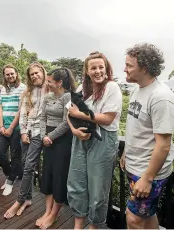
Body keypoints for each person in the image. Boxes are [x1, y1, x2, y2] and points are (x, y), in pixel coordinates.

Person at [120, 43, 174, 229]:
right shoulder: (138, 90)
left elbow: (163, 145)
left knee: (133, 219)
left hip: (147, 172)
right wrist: (126, 154)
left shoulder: (162, 97)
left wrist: (147, 178)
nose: (125, 69)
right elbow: (137, 128)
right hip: (136, 166)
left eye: (129, 65)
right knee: (146, 216)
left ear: (144, 68)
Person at [66, 51, 122, 229]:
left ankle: (94, 226)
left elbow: (107, 119)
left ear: (106, 69)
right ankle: (78, 224)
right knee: (76, 182)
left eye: (101, 67)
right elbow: (69, 112)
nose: (97, 71)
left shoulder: (112, 88)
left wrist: (80, 114)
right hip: (81, 137)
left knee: (98, 188)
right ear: (87, 71)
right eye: (93, 68)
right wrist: (75, 129)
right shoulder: (83, 89)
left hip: (103, 139)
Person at [4, 62, 48, 219]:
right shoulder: (28, 91)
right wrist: (23, 133)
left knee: (29, 167)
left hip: (39, 133)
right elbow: (23, 113)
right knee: (25, 165)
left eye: (37, 73)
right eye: (32, 74)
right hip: (27, 132)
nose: (35, 76)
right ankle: (28, 199)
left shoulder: (50, 89)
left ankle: (19, 200)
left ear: (43, 72)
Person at [36, 68, 74, 229]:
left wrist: (50, 137)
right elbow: (42, 117)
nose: (47, 83)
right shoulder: (47, 97)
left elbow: (67, 122)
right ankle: (47, 211)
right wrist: (44, 136)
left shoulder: (68, 97)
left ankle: (54, 215)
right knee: (48, 174)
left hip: (62, 140)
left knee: (59, 175)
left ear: (59, 83)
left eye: (50, 81)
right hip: (47, 140)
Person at [0, 64, 26, 196]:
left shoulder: (23, 88)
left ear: (16, 73)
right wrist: (1, 126)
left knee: (15, 156)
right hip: (4, 128)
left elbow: (21, 110)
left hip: (17, 127)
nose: (10, 76)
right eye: (7, 74)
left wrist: (12, 128)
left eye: (12, 73)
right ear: (4, 76)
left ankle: (9, 182)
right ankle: (11, 176)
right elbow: (0, 108)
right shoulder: (3, 89)